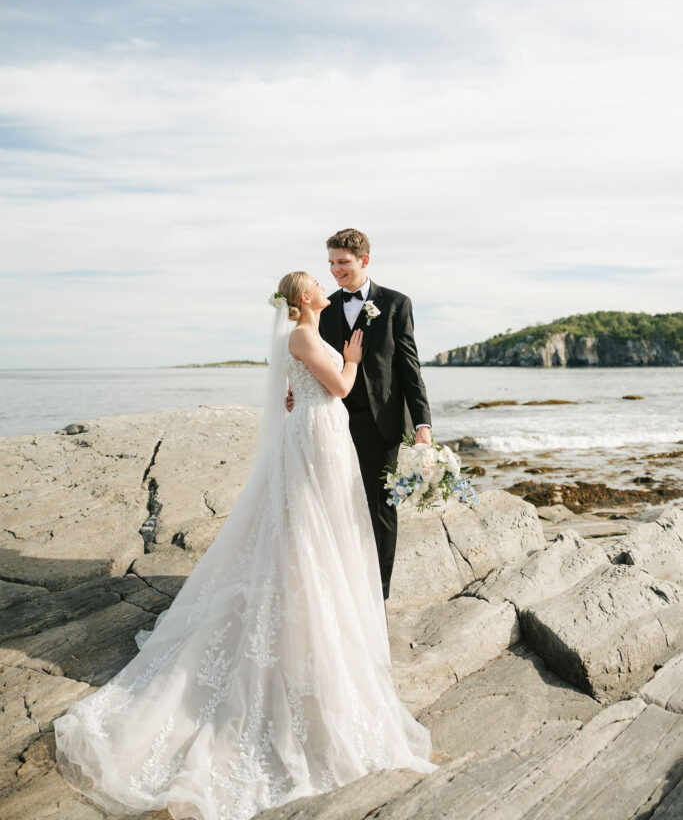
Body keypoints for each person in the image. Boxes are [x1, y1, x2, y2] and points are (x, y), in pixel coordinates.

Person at [53, 271, 437, 820]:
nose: (329, 282)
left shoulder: (309, 330)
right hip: (319, 432)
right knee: (309, 527)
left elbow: (318, 378)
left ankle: (332, 598)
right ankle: (309, 611)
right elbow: (343, 386)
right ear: (305, 298)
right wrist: (350, 356)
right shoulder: (307, 332)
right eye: (318, 279)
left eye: (337, 268)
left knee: (318, 525)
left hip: (320, 431)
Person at [287, 228, 432, 600]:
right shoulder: (325, 305)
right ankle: (339, 587)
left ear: (364, 260)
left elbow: (410, 369)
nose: (336, 270)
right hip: (333, 425)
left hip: (381, 424)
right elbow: (312, 359)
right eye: (331, 263)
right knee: (337, 504)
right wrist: (296, 393)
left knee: (382, 508)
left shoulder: (397, 303)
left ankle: (377, 595)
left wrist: (422, 425)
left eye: (343, 262)